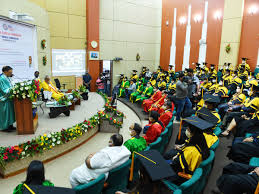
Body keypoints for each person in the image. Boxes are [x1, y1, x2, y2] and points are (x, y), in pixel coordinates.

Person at [164, 116, 211, 185]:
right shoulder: (200, 139)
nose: (186, 130)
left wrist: (174, 159)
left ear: (193, 132)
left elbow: (176, 164)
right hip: (186, 167)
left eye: (188, 129)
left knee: (155, 164)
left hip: (180, 175)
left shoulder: (191, 151)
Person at [0, 66, 15, 131]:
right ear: (5, 72)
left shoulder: (7, 77)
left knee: (10, 113)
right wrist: (12, 89)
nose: (10, 73)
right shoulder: (2, 78)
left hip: (9, 98)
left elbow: (10, 85)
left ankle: (10, 125)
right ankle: (5, 127)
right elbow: (3, 90)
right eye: (10, 72)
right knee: (5, 114)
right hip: (4, 98)